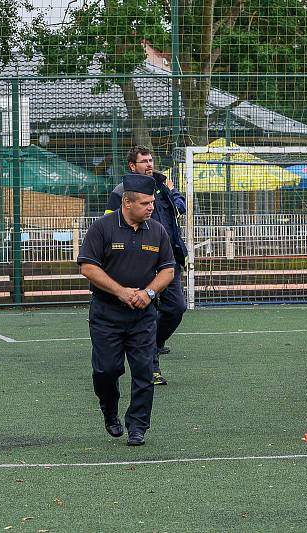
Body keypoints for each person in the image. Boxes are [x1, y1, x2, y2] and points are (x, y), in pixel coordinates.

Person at [78, 174, 176, 446]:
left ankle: (138, 426)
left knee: (144, 371)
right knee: (106, 371)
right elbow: (87, 266)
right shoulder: (102, 228)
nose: (151, 208)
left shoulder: (157, 230)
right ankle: (109, 411)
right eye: (145, 203)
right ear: (127, 202)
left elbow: (168, 269)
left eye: (152, 202)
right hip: (106, 313)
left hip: (143, 315)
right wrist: (120, 291)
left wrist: (149, 293)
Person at [106, 146, 187, 386]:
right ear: (133, 166)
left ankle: (155, 344)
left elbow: (180, 210)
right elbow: (110, 225)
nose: (149, 164)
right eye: (144, 161)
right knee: (146, 315)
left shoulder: (163, 188)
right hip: (139, 262)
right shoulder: (121, 192)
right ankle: (151, 368)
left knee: (177, 308)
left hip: (168, 261)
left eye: (151, 160)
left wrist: (173, 190)